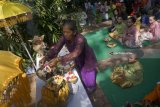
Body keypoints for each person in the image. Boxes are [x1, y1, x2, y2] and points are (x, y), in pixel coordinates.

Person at [40, 20, 97, 92]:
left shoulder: (80, 39)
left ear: (74, 32)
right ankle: (86, 85)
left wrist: (57, 59)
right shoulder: (65, 37)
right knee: (81, 73)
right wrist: (46, 57)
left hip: (88, 59)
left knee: (88, 76)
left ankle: (92, 88)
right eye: (64, 32)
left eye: (67, 32)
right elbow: (56, 48)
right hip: (78, 58)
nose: (65, 34)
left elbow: (75, 53)